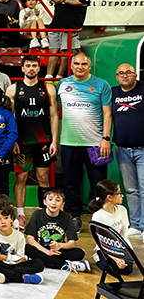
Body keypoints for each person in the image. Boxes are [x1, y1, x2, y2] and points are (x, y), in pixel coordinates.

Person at [57, 52, 112, 229]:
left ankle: (101, 219)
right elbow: (56, 110)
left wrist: (105, 139)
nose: (80, 67)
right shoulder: (63, 85)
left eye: (84, 64)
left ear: (89, 66)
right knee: (71, 183)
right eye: (77, 64)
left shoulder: (101, 85)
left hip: (95, 144)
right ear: (71, 66)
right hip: (69, 143)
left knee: (99, 185)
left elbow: (107, 114)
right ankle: (75, 217)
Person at [7, 55, 59, 223]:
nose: (31, 68)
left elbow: (53, 116)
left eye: (34, 65)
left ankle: (44, 214)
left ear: (39, 68)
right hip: (21, 143)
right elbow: (10, 118)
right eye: (27, 65)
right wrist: (12, 140)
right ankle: (20, 214)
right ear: (22, 68)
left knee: (43, 177)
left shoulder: (48, 88)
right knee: (21, 178)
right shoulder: (13, 89)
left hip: (43, 142)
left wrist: (54, 141)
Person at [23, 188, 88, 272]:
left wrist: (59, 246)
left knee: (79, 253)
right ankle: (64, 265)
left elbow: (72, 243)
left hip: (58, 251)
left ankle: (44, 261)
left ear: (62, 204)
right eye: (50, 199)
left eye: (58, 200)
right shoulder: (37, 214)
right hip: (41, 249)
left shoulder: (67, 217)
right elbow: (30, 239)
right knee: (27, 248)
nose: (53, 203)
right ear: (44, 202)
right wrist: (47, 252)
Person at [113, 63, 144, 237]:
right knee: (131, 189)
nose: (125, 76)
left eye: (129, 72)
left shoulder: (143, 89)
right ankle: (137, 224)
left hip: (143, 150)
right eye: (121, 73)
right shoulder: (113, 93)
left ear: (135, 75)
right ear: (117, 77)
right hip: (122, 149)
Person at [46, 0, 91, 79]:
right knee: (53, 51)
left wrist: (64, 1)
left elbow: (84, 2)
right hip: (57, 21)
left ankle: (60, 77)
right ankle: (49, 76)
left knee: (65, 52)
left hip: (71, 23)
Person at [0, 199, 45, 284]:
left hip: (15, 264)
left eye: (6, 218)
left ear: (12, 219)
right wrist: (8, 259)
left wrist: (4, 257)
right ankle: (22, 278)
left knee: (39, 264)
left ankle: (7, 276)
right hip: (1, 264)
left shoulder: (19, 236)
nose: (3, 222)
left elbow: (20, 256)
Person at [89, 179, 134, 274]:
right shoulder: (98, 216)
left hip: (120, 247)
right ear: (109, 197)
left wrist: (127, 253)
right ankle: (98, 257)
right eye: (119, 193)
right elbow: (101, 242)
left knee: (127, 269)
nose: (122, 196)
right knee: (114, 268)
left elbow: (124, 234)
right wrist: (116, 258)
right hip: (106, 249)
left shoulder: (122, 210)